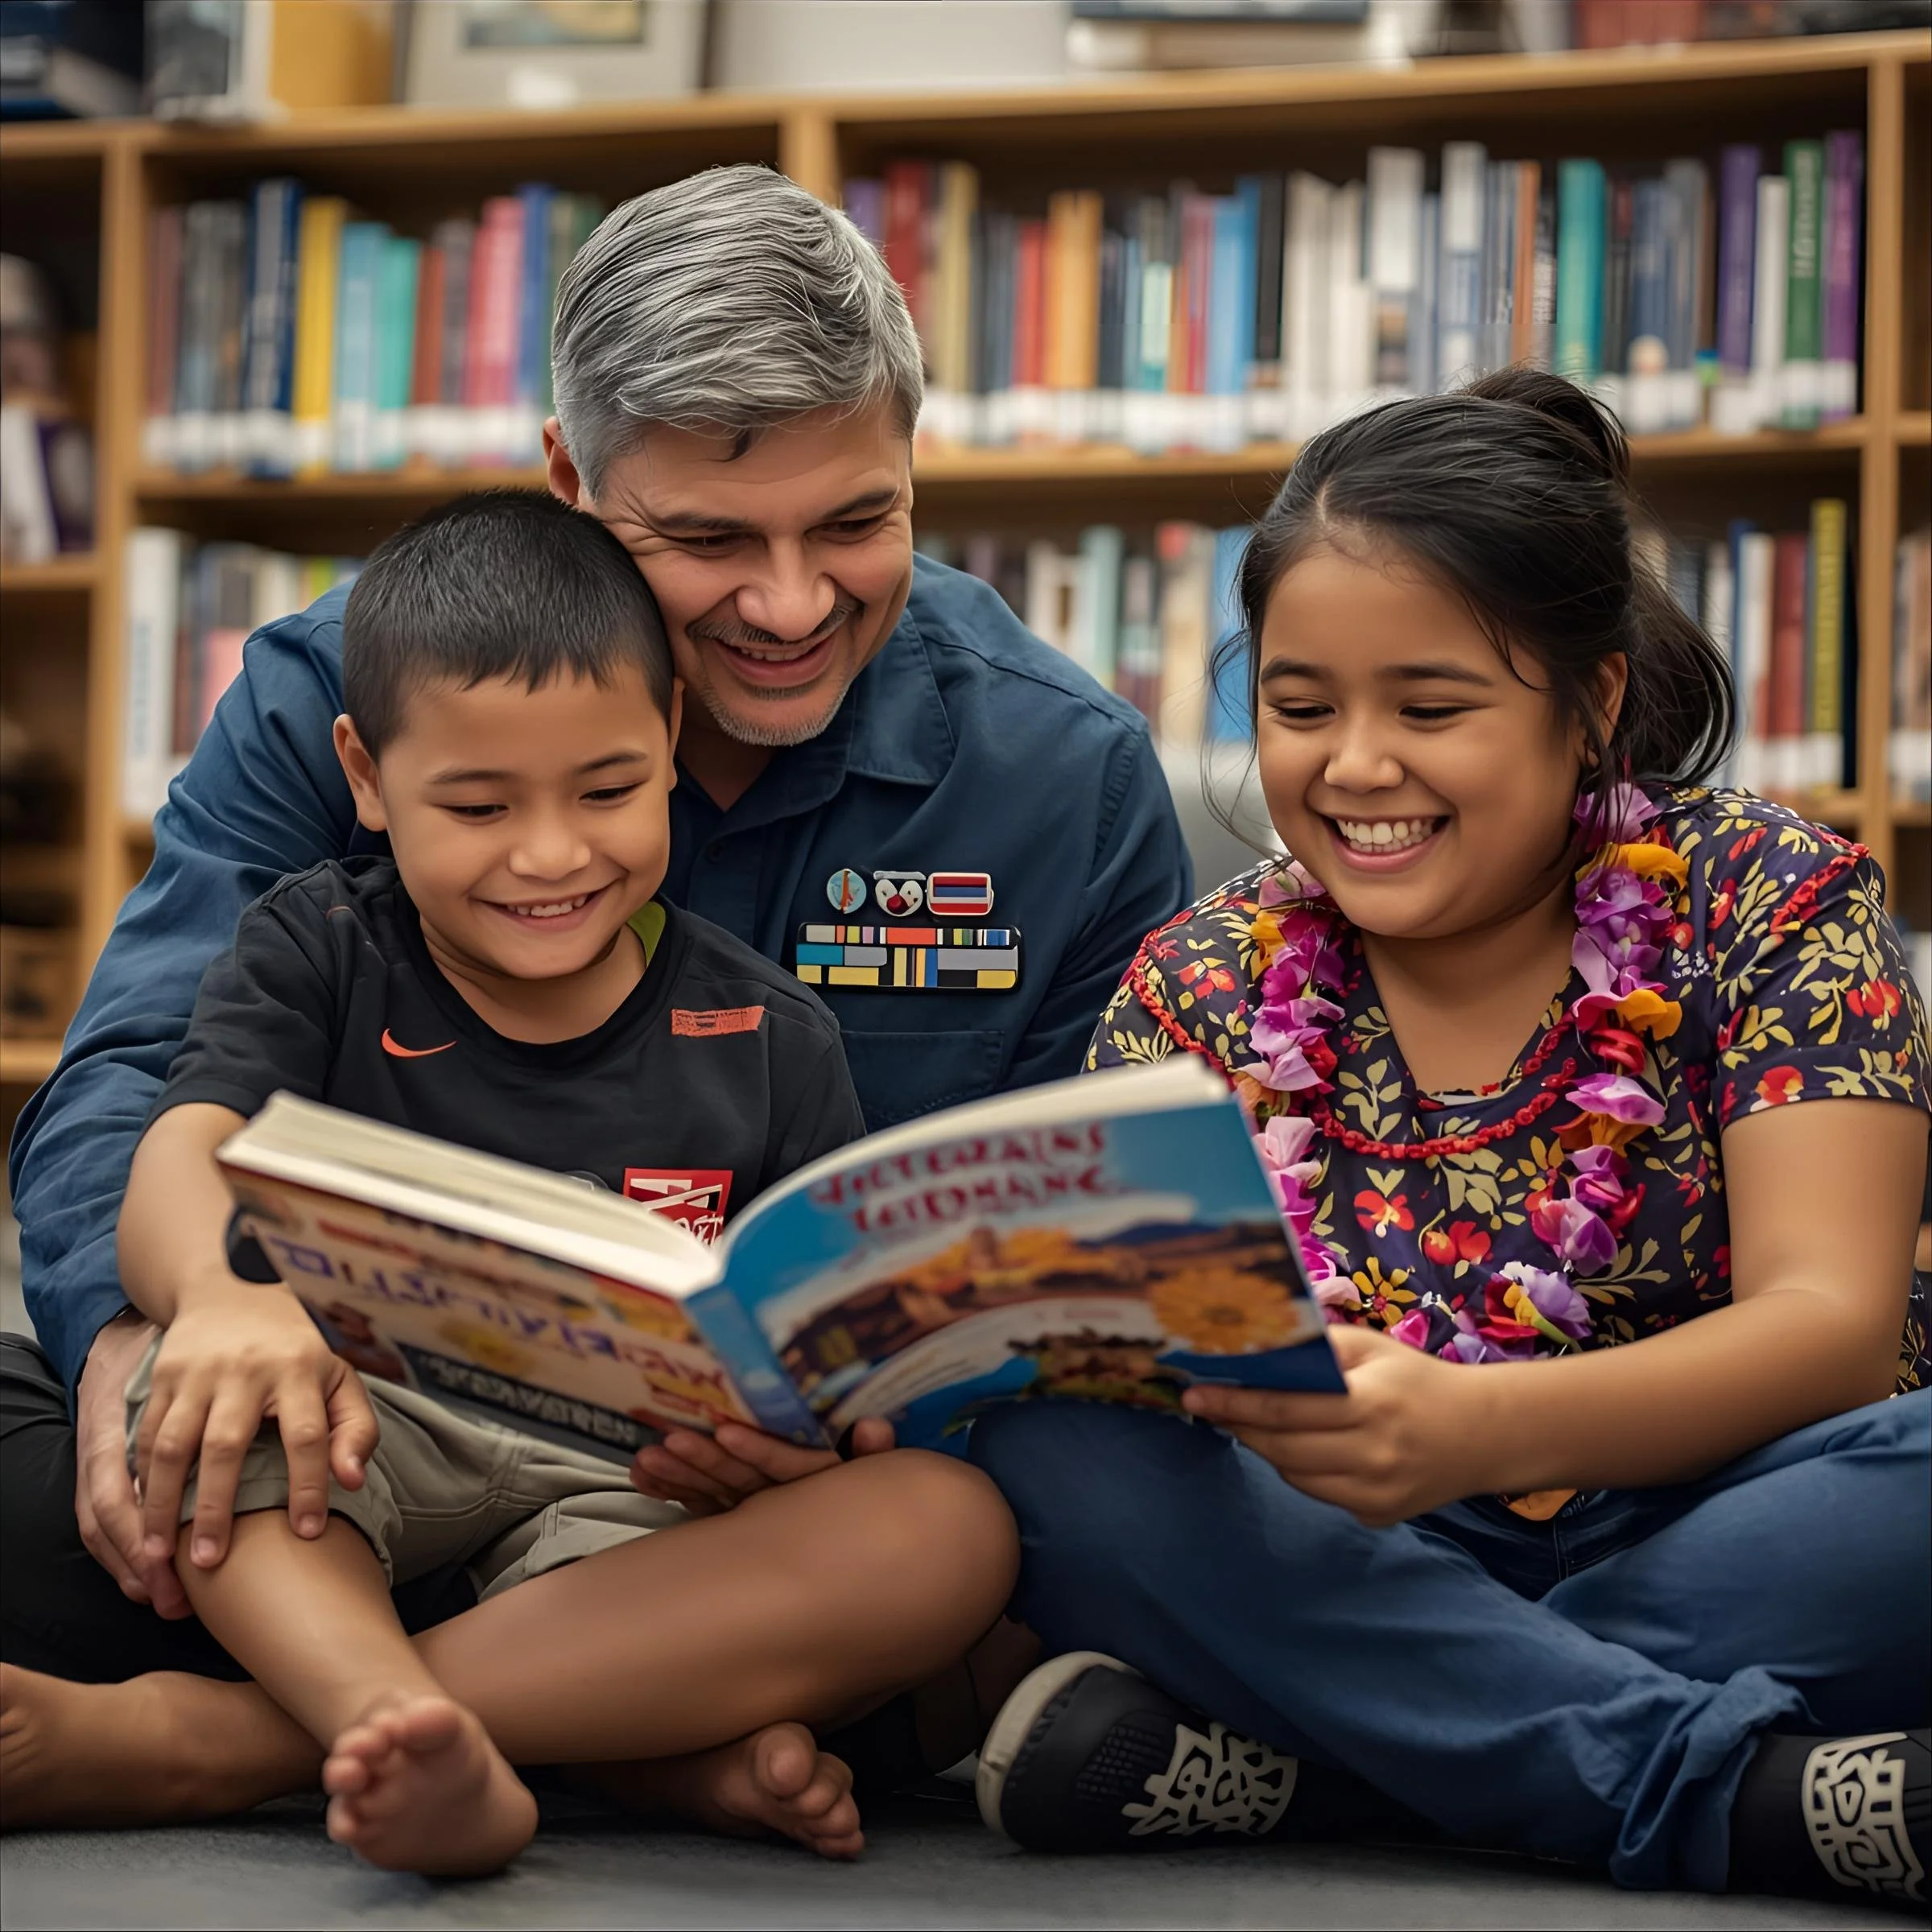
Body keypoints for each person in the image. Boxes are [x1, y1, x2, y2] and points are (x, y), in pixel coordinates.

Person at [3, 163, 1185, 1674]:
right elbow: (139, 1072)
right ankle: (609, 1713)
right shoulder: (337, 693)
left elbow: (1086, 1253)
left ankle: (268, 1721)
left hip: (732, 1506)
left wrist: (852, 1427)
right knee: (92, 1470)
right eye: (707, 540)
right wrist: (137, 1345)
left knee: (1015, 1534)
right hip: (353, 1432)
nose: (788, 604)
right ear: (569, 476)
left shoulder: (1064, 776)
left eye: (853, 523)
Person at [960, 369, 1931, 1913]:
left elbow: (1831, 1334)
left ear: (1592, 702)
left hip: (1723, 1510)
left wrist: (1477, 1430)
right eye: (1298, 709)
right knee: (1052, 1453)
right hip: (1346, 1548)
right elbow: (1121, 1355)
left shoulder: (1766, 897)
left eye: (1431, 708)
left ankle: (1338, 1750)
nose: (1353, 766)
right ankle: (1721, 1793)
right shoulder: (1203, 978)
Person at [2, 492, 1018, 1872]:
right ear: (365, 776)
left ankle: (261, 1738)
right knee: (201, 1413)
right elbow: (182, 1144)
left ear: (670, 735)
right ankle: (554, 1745)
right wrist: (214, 1299)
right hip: (355, 1434)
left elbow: (830, 1343)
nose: (550, 856)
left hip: (631, 1503)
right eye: (478, 805)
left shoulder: (776, 1035)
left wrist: (801, 1438)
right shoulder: (319, 946)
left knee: (946, 1533)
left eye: (605, 790)